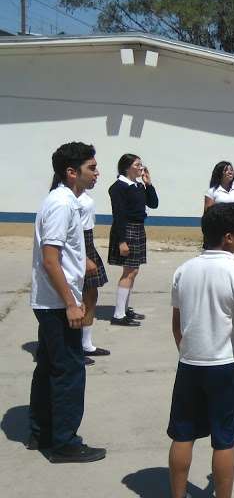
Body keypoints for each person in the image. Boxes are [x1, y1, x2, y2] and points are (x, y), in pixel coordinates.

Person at [168, 203, 234, 498]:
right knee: (224, 440)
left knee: (182, 434)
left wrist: (189, 352)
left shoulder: (183, 270)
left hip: (189, 363)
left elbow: (177, 326)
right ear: (228, 237)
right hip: (226, 367)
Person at [29, 142, 106, 463]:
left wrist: (83, 260)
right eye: (91, 167)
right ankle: (64, 443)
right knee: (70, 371)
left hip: (50, 302)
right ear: (71, 172)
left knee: (49, 367)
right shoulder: (62, 205)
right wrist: (72, 303)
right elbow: (50, 260)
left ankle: (41, 431)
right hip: (58, 305)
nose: (96, 173)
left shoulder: (65, 201)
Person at [107, 153, 158, 326]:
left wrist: (148, 184)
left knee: (133, 271)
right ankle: (118, 315)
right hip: (126, 229)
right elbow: (118, 214)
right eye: (137, 165)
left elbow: (153, 203)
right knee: (128, 272)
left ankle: (124, 309)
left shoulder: (138, 186)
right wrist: (121, 241)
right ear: (127, 167)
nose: (141, 168)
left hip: (138, 228)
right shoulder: (118, 187)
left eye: (141, 165)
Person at [79, 190, 111, 362]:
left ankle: (86, 344)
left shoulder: (83, 194)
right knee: (76, 297)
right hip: (80, 243)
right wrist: (82, 257)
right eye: (92, 168)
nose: (97, 173)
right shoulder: (67, 198)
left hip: (88, 240)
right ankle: (74, 347)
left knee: (91, 294)